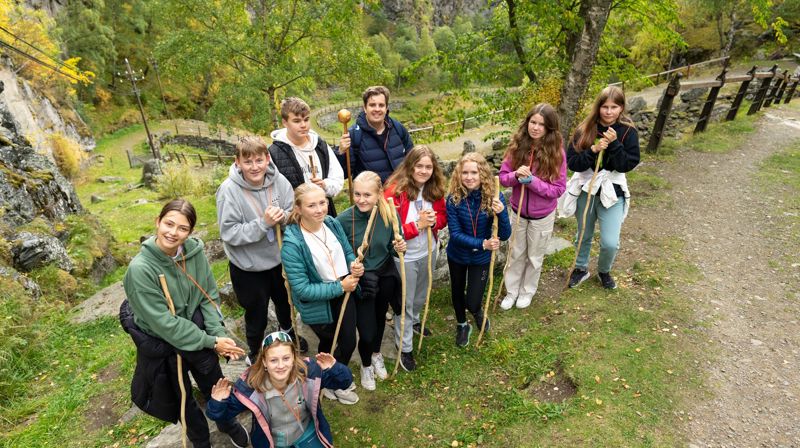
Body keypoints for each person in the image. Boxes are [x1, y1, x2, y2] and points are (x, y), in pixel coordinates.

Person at [122, 199, 249, 448]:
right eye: (168, 224)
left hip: (197, 331)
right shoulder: (140, 269)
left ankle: (226, 422)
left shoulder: (194, 252)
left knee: (215, 382)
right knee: (182, 398)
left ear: (190, 232)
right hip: (163, 344)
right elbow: (164, 324)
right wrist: (211, 342)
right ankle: (201, 440)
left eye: (182, 228)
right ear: (157, 222)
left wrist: (217, 333)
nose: (173, 232)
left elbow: (207, 295)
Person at [217, 136, 308, 364]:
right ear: (237, 162)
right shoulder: (228, 191)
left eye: (259, 160)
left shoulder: (280, 182)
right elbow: (230, 233)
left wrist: (285, 217)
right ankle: (256, 352)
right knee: (256, 313)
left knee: (285, 302)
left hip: (279, 259)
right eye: (248, 162)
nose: (255, 167)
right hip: (248, 267)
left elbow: (292, 213)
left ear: (267, 159)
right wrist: (264, 223)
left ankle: (288, 335)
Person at [280, 183, 364, 404]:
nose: (319, 209)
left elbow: (346, 251)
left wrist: (353, 264)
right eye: (311, 205)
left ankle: (335, 377)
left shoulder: (331, 223)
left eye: (322, 202)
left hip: (344, 290)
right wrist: (339, 287)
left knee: (347, 343)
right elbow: (302, 288)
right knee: (328, 341)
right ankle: (326, 380)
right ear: (298, 208)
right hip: (319, 301)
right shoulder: (292, 243)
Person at [207, 331, 352, 448]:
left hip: (307, 432)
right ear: (264, 362)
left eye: (286, 358)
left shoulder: (309, 373)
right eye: (273, 360)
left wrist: (335, 368)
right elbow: (221, 416)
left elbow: (345, 382)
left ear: (294, 358)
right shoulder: (250, 388)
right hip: (274, 442)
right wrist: (217, 403)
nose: (281, 365)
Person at [564, 85, 640, 290]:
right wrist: (593, 150)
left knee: (610, 242)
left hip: (612, 193)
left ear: (621, 108)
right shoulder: (584, 129)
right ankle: (580, 269)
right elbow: (572, 163)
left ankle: (604, 271)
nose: (609, 111)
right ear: (598, 107)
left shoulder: (628, 132)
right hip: (586, 189)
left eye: (614, 107)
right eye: (605, 106)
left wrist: (614, 144)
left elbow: (626, 165)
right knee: (583, 234)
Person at [337, 171, 407, 389]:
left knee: (379, 321)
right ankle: (365, 364)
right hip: (362, 282)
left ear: (378, 194)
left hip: (385, 276)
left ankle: (375, 355)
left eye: (367, 194)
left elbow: (393, 247)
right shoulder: (344, 220)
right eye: (357, 194)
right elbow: (339, 253)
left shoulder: (388, 215)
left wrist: (399, 248)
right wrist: (352, 266)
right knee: (366, 330)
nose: (361, 200)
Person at [383, 145, 447, 371]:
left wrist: (433, 221)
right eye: (419, 166)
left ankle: (415, 322)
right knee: (405, 302)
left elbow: (442, 218)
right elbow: (390, 229)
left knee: (421, 294)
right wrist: (416, 226)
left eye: (428, 167)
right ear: (410, 166)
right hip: (405, 256)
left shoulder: (434, 188)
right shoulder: (394, 191)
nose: (424, 171)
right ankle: (405, 347)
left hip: (428, 250)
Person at [498, 104, 567, 310]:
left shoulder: (557, 154)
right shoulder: (516, 147)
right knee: (515, 252)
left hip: (542, 216)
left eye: (541, 124)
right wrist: (515, 176)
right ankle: (512, 291)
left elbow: (558, 189)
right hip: (518, 213)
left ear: (549, 128)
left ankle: (527, 291)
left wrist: (532, 182)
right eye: (533, 122)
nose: (535, 128)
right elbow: (503, 178)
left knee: (534, 256)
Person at [446, 152, 511, 347]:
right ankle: (462, 324)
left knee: (472, 301)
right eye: (464, 172)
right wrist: (482, 243)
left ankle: (476, 310)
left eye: (474, 172)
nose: (469, 177)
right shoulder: (453, 199)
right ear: (459, 174)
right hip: (458, 255)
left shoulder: (494, 196)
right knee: (457, 291)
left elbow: (505, 234)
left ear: (482, 173)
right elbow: (455, 234)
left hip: (481, 259)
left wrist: (502, 212)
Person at [269, 97, 344, 217]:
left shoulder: (320, 145)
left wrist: (324, 185)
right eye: (297, 121)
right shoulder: (274, 152)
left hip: (324, 214)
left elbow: (337, 179)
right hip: (295, 219)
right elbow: (272, 193)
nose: (303, 125)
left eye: (306, 119)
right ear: (284, 122)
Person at [338, 85, 414, 183]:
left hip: (401, 193)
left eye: (381, 105)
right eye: (372, 105)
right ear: (365, 108)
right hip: (372, 196)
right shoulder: (354, 135)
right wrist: (341, 152)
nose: (377, 109)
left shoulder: (398, 128)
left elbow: (413, 161)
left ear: (386, 108)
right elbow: (344, 173)